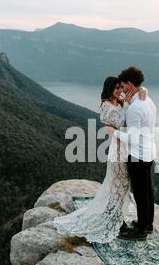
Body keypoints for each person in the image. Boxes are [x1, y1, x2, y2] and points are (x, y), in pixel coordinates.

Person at [52, 76, 147, 243]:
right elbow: (123, 122)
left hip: (123, 149)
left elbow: (128, 111)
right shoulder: (107, 106)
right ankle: (116, 220)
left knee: (120, 186)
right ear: (109, 89)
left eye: (121, 87)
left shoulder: (117, 102)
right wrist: (128, 105)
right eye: (116, 88)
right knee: (119, 186)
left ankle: (115, 216)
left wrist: (140, 94)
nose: (120, 91)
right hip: (119, 152)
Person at [106, 66, 157, 241]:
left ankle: (141, 230)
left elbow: (133, 138)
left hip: (138, 155)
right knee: (147, 191)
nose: (121, 89)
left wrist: (113, 132)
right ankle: (147, 224)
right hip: (149, 151)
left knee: (140, 193)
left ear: (129, 84)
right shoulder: (147, 100)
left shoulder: (135, 107)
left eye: (122, 85)